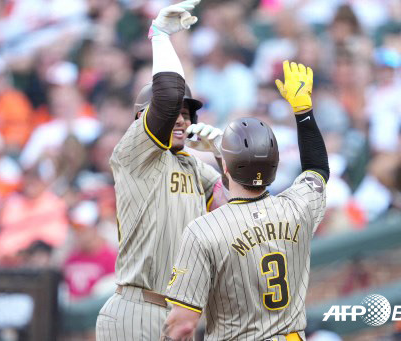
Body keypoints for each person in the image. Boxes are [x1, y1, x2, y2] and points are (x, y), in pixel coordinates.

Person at [163, 61, 329, 340]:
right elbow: (318, 169)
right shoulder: (298, 208)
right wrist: (303, 112)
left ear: (225, 167)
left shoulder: (204, 231)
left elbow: (182, 325)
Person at [95, 1, 227, 339]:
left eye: (188, 113)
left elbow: (235, 217)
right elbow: (166, 96)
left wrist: (226, 160)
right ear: (143, 119)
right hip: (137, 309)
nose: (181, 118)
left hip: (178, 316)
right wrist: (160, 37)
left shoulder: (194, 167)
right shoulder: (132, 153)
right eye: (174, 112)